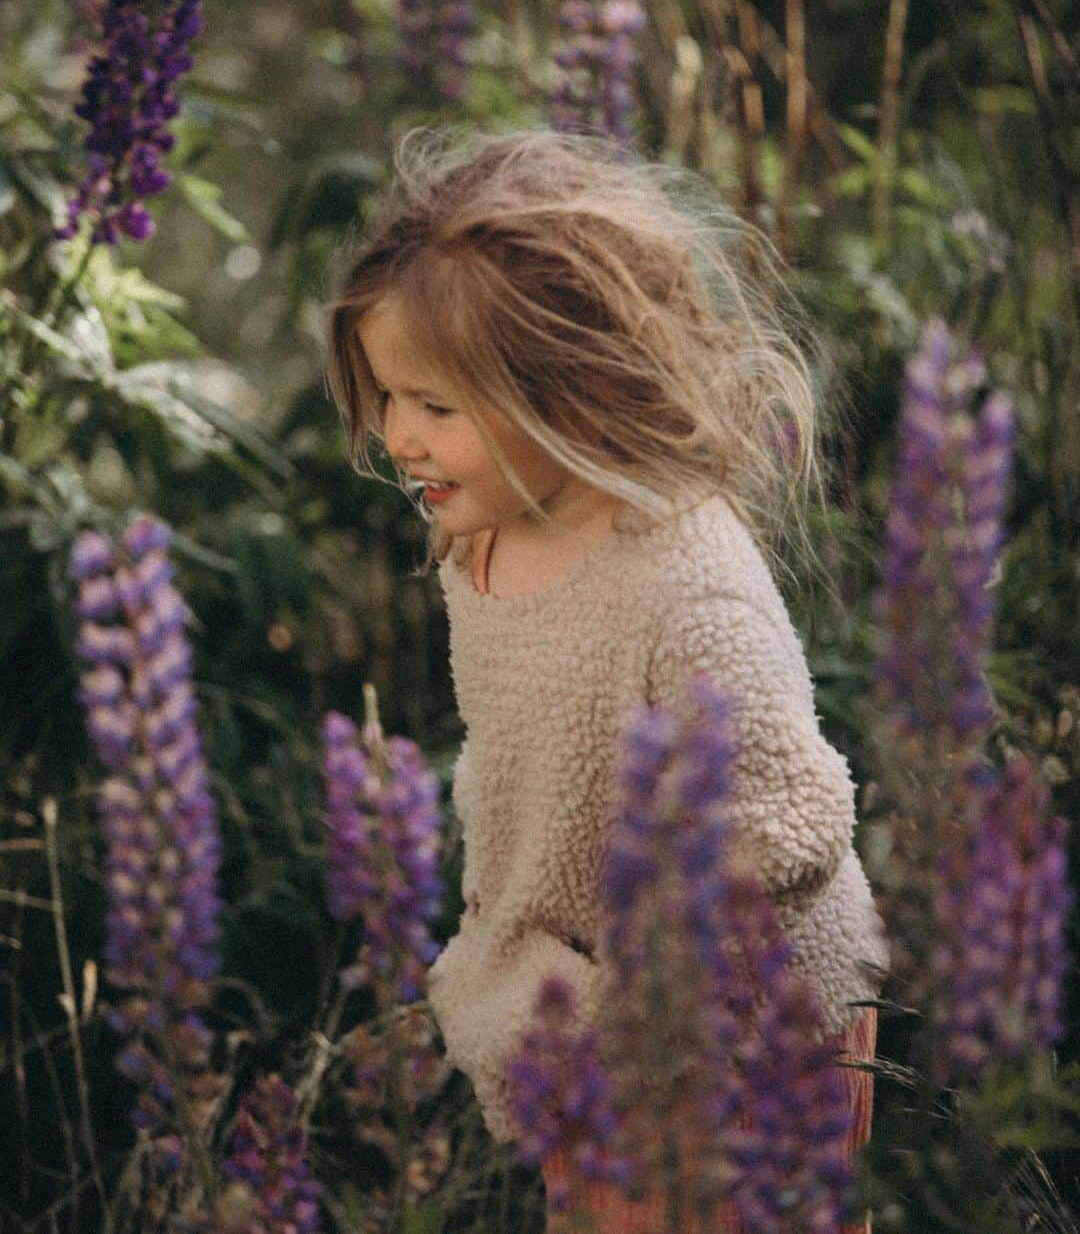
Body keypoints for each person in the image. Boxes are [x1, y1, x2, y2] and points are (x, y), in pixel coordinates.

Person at [325, 126, 889, 1231]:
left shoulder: (682, 580)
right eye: (389, 397)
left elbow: (790, 821)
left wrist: (647, 1006)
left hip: (746, 1035)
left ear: (565, 393)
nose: (398, 436)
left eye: (436, 408)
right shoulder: (479, 534)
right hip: (580, 1004)